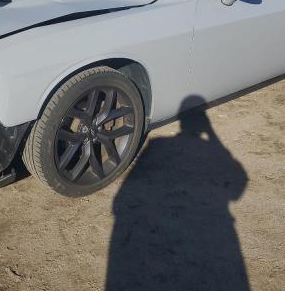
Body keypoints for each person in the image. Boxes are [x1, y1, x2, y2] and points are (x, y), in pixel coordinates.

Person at [107, 96, 250, 290]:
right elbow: (238, 185)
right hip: (212, 231)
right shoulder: (204, 150)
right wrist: (213, 137)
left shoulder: (157, 144)